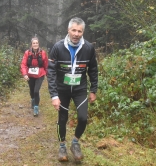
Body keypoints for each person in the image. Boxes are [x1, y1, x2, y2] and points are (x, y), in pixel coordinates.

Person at [47, 17, 98, 162]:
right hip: (62, 89)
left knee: (83, 118)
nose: (76, 34)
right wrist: (54, 95)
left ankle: (75, 143)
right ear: (68, 30)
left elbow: (93, 69)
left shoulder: (88, 48)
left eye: (79, 31)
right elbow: (51, 72)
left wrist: (93, 89)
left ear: (83, 32)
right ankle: (62, 145)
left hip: (80, 89)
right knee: (62, 119)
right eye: (73, 30)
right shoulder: (57, 47)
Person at [20, 37, 48, 116]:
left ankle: (36, 107)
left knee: (36, 91)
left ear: (39, 44)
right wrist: (25, 74)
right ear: (31, 44)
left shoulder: (42, 53)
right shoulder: (27, 53)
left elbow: (46, 64)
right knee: (32, 90)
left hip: (40, 74)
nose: (35, 44)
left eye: (36, 43)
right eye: (34, 43)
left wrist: (48, 74)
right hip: (30, 74)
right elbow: (23, 64)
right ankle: (33, 99)